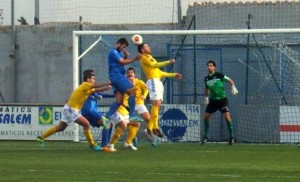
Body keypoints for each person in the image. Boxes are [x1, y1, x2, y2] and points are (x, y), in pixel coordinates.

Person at [36, 69, 112, 151]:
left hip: (69, 108)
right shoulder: (86, 84)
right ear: (88, 79)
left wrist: (106, 88)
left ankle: (41, 137)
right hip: (70, 109)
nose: (94, 80)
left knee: (60, 128)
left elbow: (96, 90)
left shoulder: (86, 87)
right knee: (86, 124)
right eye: (93, 79)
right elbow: (96, 86)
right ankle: (92, 145)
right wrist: (107, 83)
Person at [137, 43, 183, 138]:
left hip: (158, 82)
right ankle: (154, 127)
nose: (149, 47)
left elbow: (160, 72)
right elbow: (154, 65)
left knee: (157, 106)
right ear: (142, 50)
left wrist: (173, 75)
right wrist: (168, 62)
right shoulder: (144, 57)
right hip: (153, 81)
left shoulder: (150, 57)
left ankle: (150, 127)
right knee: (156, 104)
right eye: (146, 46)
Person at [201, 60, 238, 145]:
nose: (209, 67)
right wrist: (206, 97)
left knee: (227, 118)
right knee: (206, 117)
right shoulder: (206, 79)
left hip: (222, 100)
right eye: (208, 66)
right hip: (213, 101)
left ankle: (232, 136)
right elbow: (206, 89)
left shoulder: (219, 75)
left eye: (211, 65)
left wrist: (233, 87)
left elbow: (230, 80)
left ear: (214, 67)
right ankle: (206, 136)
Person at [106, 37, 142, 123]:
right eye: (123, 46)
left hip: (117, 76)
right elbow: (122, 62)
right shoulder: (113, 52)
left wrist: (125, 57)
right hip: (117, 76)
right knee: (132, 91)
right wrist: (135, 58)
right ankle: (132, 115)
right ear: (119, 44)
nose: (123, 49)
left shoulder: (118, 53)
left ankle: (106, 118)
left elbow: (121, 62)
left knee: (119, 101)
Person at [126, 67, 156, 147]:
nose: (130, 74)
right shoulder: (124, 83)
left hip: (139, 104)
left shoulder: (139, 82)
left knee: (149, 119)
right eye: (128, 72)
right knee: (130, 122)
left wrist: (144, 95)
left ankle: (150, 135)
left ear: (134, 74)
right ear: (126, 74)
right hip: (129, 105)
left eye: (131, 72)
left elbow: (146, 89)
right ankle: (133, 137)